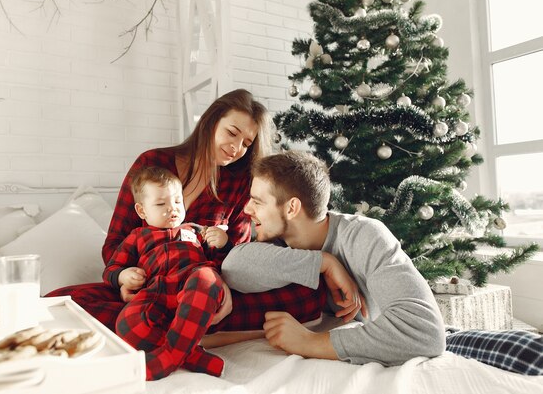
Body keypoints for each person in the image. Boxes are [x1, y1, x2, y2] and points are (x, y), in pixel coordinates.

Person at [46, 89, 330, 339]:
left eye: (246, 143)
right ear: (209, 123)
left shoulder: (238, 184)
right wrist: (125, 278)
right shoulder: (152, 165)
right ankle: (194, 331)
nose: (237, 148)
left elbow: (239, 256)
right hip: (148, 287)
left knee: (309, 296)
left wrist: (218, 279)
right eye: (232, 133)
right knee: (54, 302)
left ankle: (164, 328)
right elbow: (114, 245)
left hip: (202, 290)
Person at [218, 150, 446, 366]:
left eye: (257, 201)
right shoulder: (277, 240)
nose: (247, 209)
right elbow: (233, 268)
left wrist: (308, 342)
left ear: (291, 208)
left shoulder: (363, 236)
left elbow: (426, 334)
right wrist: (324, 262)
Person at [106, 166, 230, 380]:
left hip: (192, 286)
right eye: (161, 204)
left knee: (207, 278)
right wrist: (123, 276)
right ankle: (191, 356)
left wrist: (224, 242)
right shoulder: (137, 237)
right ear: (142, 211)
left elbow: (222, 259)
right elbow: (111, 269)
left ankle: (167, 359)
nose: (172, 208)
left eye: (177, 201)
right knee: (126, 324)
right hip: (156, 292)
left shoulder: (193, 230)